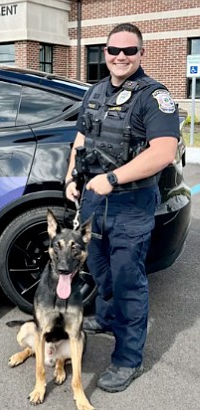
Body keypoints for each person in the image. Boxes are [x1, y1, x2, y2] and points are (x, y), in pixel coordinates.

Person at [65, 23, 180, 393]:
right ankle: (110, 317)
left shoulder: (154, 96)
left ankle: (127, 358)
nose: (120, 57)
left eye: (129, 51)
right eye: (114, 49)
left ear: (141, 54)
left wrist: (112, 179)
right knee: (99, 269)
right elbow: (80, 140)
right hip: (94, 199)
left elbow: (163, 153)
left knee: (129, 281)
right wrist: (71, 179)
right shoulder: (95, 92)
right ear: (106, 51)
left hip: (130, 202)